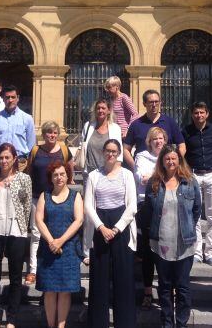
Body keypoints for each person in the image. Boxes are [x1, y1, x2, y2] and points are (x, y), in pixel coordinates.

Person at [143, 144, 201, 328]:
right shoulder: (154, 183)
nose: (170, 161)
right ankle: (167, 322)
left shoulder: (190, 181)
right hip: (161, 243)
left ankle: (181, 323)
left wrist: (187, 226)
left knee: (183, 287)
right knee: (165, 286)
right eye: (167, 158)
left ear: (179, 160)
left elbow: (197, 209)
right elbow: (148, 210)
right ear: (162, 161)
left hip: (184, 243)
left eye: (174, 158)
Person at [84, 139, 137, 328]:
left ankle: (126, 323)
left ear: (119, 153)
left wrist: (116, 228)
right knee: (99, 280)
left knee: (123, 279)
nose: (111, 154)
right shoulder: (93, 176)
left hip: (121, 228)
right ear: (103, 152)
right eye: (108, 151)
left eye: (115, 151)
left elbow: (132, 206)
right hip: (100, 228)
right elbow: (88, 205)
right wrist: (101, 227)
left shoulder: (127, 175)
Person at [0, 143, 33, 328]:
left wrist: (21, 226)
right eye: (1, 157)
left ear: (14, 159)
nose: (4, 161)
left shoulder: (24, 179)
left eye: (7, 157)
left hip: (15, 229)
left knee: (15, 277)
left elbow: (27, 207)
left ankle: (12, 319)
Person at [35, 161, 84, 328]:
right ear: (51, 178)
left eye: (62, 174)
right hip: (48, 250)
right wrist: (51, 241)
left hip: (68, 250)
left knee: (64, 291)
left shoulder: (75, 196)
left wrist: (61, 241)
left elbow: (79, 220)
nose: (59, 177)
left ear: (67, 175)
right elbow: (39, 220)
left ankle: (61, 326)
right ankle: (51, 325)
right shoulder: (44, 195)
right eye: (55, 175)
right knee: (49, 291)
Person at [25, 120, 73, 284]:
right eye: (48, 133)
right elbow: (29, 170)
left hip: (57, 199)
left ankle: (53, 266)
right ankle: (33, 270)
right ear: (43, 134)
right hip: (38, 197)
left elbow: (69, 169)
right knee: (36, 234)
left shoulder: (64, 150)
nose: (52, 135)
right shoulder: (36, 150)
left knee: (56, 232)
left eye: (54, 133)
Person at [182, 101, 212, 267]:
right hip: (194, 176)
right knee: (195, 216)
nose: (199, 115)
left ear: (207, 114)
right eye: (196, 113)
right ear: (192, 115)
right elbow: (183, 154)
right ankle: (197, 252)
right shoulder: (186, 131)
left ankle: (211, 253)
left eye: (202, 112)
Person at [133, 126, 166, 309]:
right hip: (146, 205)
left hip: (167, 206)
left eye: (161, 138)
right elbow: (141, 178)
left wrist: (153, 177)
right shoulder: (141, 157)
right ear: (149, 142)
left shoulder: (170, 156)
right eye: (154, 139)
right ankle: (147, 293)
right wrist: (162, 176)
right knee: (147, 252)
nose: (158, 142)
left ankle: (165, 291)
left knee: (165, 253)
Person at [123, 89, 184, 169]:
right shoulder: (136, 124)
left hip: (166, 169)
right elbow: (125, 149)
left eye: (156, 102)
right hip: (143, 170)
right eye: (151, 102)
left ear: (160, 103)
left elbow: (182, 145)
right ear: (144, 104)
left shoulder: (170, 122)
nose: (154, 105)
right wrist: (135, 167)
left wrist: (176, 162)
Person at [76, 98, 123, 180]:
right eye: (98, 108)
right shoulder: (88, 126)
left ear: (108, 111)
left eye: (103, 108)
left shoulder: (115, 128)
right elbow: (81, 146)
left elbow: (119, 151)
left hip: (108, 173)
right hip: (89, 173)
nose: (100, 110)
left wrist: (116, 171)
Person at [0, 85, 36, 166]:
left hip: (20, 162)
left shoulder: (27, 118)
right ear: (3, 99)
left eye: (13, 97)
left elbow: (31, 143)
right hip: (1, 162)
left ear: (18, 98)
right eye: (7, 97)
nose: (10, 100)